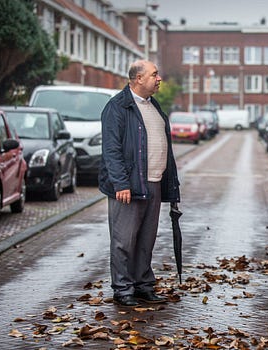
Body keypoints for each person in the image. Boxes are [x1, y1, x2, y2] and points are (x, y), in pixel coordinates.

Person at [99, 60, 180, 307]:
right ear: (137, 79)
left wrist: (171, 186)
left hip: (153, 183)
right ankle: (123, 289)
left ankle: (143, 285)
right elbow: (111, 150)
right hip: (129, 186)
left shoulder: (153, 106)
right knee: (124, 240)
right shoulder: (118, 107)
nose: (159, 79)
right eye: (154, 74)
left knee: (146, 239)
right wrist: (121, 183)